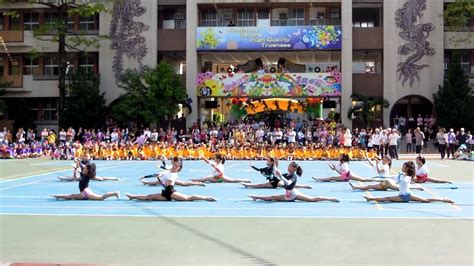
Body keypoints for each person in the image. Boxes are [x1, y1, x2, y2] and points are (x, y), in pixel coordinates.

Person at [362, 161, 454, 204]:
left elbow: (400, 181)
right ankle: (370, 199)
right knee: (387, 198)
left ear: (406, 168)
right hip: (405, 195)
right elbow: (393, 177)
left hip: (405, 196)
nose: (402, 167)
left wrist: (400, 177)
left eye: (403, 166)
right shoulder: (405, 175)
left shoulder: (406, 176)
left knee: (425, 200)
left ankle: (443, 199)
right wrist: (379, 177)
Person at [248, 162, 339, 202]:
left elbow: (287, 183)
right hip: (288, 194)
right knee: (273, 197)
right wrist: (275, 167)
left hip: (293, 194)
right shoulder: (287, 173)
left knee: (312, 199)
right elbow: (277, 175)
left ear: (294, 169)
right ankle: (256, 197)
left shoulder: (293, 176)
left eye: (290, 166)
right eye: (288, 166)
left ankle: (330, 198)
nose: (288, 167)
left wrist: (280, 176)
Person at [126, 161, 216, 202]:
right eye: (174, 165)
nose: (174, 167)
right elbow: (156, 174)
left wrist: (160, 180)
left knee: (189, 198)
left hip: (171, 192)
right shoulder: (167, 171)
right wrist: (145, 176)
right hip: (166, 193)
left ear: (178, 169)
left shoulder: (174, 175)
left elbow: (166, 185)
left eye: (176, 167)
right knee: (149, 196)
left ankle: (206, 198)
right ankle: (132, 197)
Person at [52, 162, 120, 200]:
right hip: (86, 190)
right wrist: (78, 162)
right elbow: (82, 166)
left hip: (85, 193)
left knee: (100, 198)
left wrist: (75, 170)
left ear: (87, 170)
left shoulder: (84, 177)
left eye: (84, 168)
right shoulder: (85, 173)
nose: (83, 167)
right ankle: (58, 196)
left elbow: (75, 178)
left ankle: (115, 193)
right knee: (72, 196)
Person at [241, 158, 312, 189]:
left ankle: (248, 185)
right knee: (290, 185)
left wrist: (275, 165)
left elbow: (274, 171)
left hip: (274, 182)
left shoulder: (271, 168)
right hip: (275, 181)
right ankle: (304, 186)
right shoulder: (267, 168)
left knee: (261, 185)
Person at [140, 156, 205, 187]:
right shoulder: (172, 165)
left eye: (172, 160)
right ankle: (147, 183)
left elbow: (165, 168)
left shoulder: (175, 165)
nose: (171, 160)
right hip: (170, 176)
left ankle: (197, 183)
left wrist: (145, 176)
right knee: (183, 183)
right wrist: (162, 163)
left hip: (171, 176)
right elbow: (165, 167)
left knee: (184, 184)